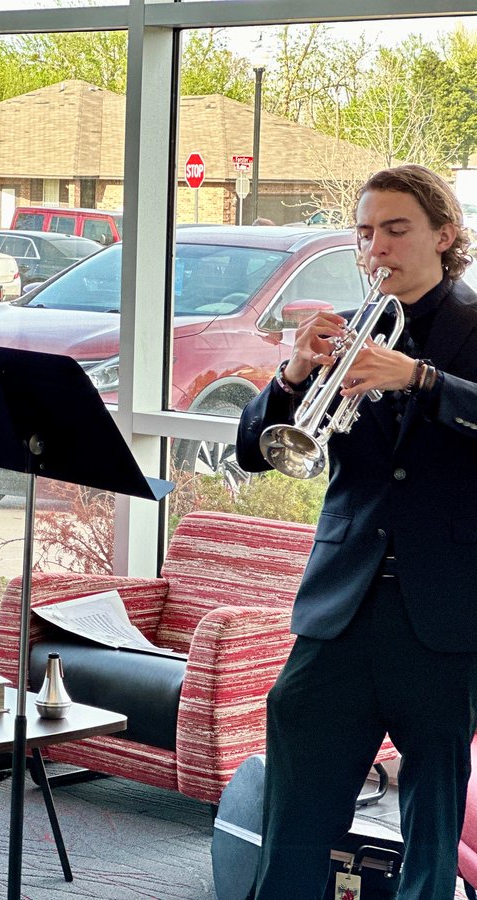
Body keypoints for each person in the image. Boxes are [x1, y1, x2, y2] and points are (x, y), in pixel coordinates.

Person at [236, 163, 477, 899]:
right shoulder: (343, 330)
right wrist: (288, 378)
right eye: (366, 231)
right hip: (339, 613)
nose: (377, 247)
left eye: (396, 229)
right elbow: (254, 451)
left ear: (446, 234)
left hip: (445, 620)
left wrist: (421, 381)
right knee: (293, 836)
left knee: (431, 846)